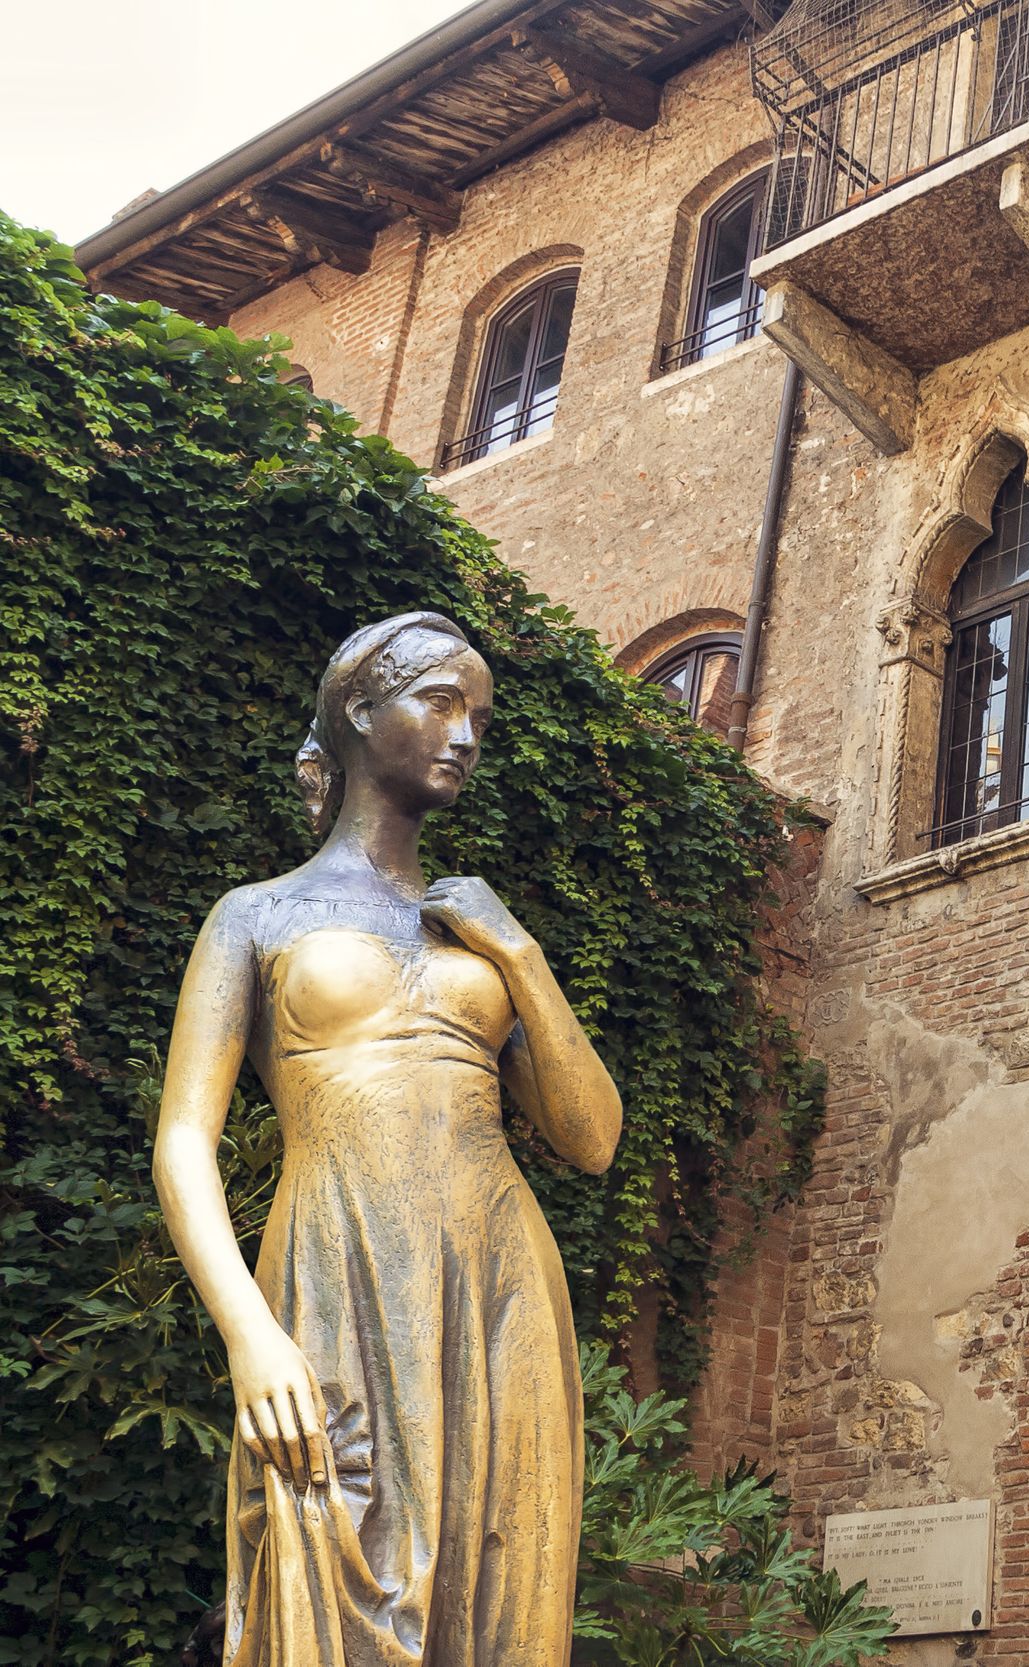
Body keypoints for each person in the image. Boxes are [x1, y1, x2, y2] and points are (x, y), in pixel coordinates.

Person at [152, 612, 622, 1667]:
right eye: (441, 703)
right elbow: (183, 1139)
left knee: (499, 1590)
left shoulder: (478, 932)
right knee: (327, 1549)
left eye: (480, 717)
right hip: (337, 1263)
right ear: (362, 711)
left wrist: (521, 955)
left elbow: (591, 1138)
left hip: (497, 1278)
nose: (466, 735)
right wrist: (249, 1332)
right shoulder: (256, 915)